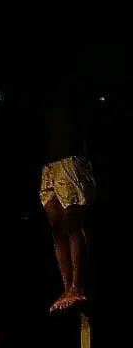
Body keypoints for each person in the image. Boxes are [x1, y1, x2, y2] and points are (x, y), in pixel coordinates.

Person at [40, 82, 96, 313]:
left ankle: (77, 285)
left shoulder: (68, 93)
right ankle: (66, 287)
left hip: (70, 156)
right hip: (50, 163)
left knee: (72, 221)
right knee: (56, 226)